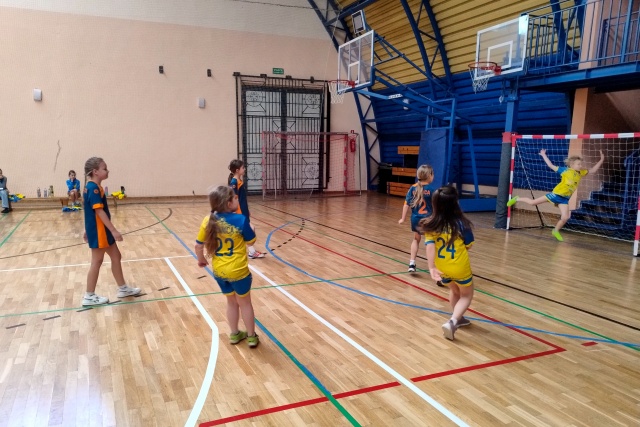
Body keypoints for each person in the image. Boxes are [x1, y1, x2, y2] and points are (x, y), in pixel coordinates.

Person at [195, 185, 259, 348]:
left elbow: (198, 245)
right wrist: (252, 229)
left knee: (231, 302)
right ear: (229, 203)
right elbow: (251, 242)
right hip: (239, 271)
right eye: (235, 197)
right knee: (245, 303)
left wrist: (201, 260)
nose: (238, 199)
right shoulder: (240, 220)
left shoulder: (208, 220)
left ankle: (234, 334)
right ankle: (251, 336)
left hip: (220, 271)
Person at [507, 149, 605, 241]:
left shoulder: (581, 173)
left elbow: (592, 170)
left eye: (581, 164)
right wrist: (544, 155)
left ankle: (555, 231)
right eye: (578, 164)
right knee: (533, 203)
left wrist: (601, 160)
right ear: (572, 165)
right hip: (556, 195)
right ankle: (517, 198)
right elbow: (550, 165)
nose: (580, 166)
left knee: (565, 217)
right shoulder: (565, 171)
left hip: (564, 199)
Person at [82, 157, 141, 306]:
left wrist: (86, 229)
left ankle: (123, 288)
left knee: (116, 256)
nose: (107, 171)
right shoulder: (93, 188)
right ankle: (89, 296)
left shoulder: (93, 187)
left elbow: (88, 210)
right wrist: (114, 230)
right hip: (100, 231)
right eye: (104, 168)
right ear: (95, 171)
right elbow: (99, 211)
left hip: (101, 229)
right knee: (97, 261)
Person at [419, 185, 475, 341]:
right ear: (455, 203)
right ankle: (453, 321)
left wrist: (431, 267)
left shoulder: (431, 223)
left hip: (441, 267)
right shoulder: (461, 223)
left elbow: (430, 246)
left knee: (454, 291)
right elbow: (469, 244)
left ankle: (458, 317)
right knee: (466, 295)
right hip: (459, 266)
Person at [398, 165, 437, 274]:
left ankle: (412, 263)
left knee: (416, 239)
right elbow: (437, 206)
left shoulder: (413, 188)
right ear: (429, 176)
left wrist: (402, 218)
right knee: (431, 242)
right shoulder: (432, 190)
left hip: (416, 219)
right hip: (428, 220)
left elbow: (406, 204)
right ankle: (433, 266)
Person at [228, 159, 266, 259]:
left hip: (243, 211)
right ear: (237, 170)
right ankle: (251, 252)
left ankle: (248, 251)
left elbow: (242, 198)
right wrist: (235, 212)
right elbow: (233, 198)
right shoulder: (234, 182)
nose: (244, 169)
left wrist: (246, 210)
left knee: (245, 231)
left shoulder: (239, 181)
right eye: (243, 168)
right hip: (239, 212)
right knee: (250, 229)